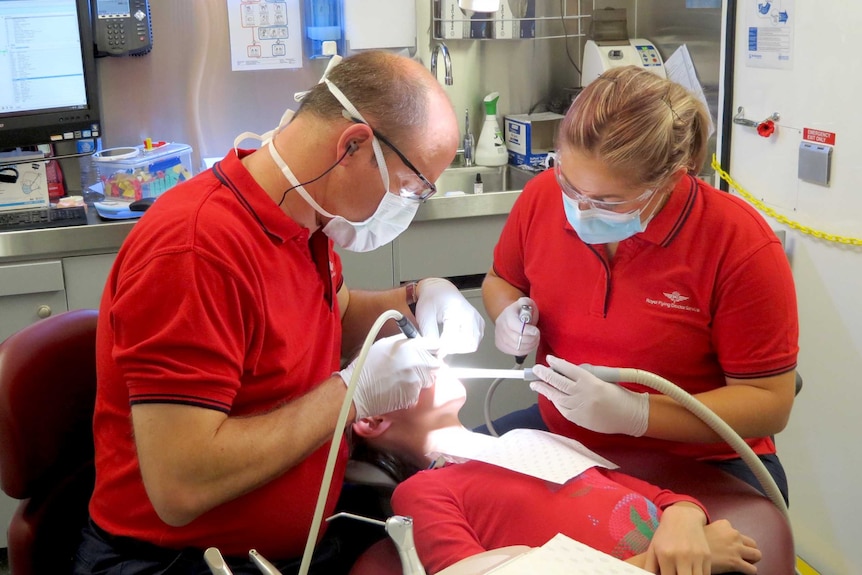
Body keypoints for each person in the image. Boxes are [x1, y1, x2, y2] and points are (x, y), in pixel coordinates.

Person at [73, 51, 486, 575]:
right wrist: (352, 393)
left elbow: (335, 314)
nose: (407, 205)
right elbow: (180, 485)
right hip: (178, 561)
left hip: (300, 540)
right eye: (410, 188)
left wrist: (419, 297)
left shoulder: (305, 219)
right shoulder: (197, 249)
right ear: (353, 145)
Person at [481, 65, 799, 503]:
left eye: (607, 201)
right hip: (569, 445)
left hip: (703, 464)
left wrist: (638, 414)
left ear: (671, 178)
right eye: (569, 186)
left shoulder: (737, 243)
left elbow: (769, 402)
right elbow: (502, 280)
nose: (580, 208)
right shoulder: (541, 200)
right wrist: (508, 314)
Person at [353, 370, 763, 575]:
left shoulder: (531, 441)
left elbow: (661, 497)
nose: (426, 358)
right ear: (371, 419)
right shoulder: (423, 490)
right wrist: (672, 561)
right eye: (404, 360)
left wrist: (686, 520)